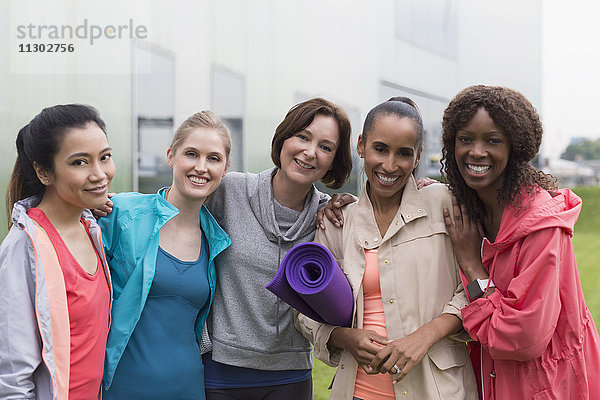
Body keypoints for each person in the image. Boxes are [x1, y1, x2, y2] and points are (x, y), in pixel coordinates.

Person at [296, 97, 478, 400]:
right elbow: (305, 310)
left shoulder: (446, 205)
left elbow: (477, 289)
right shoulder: (339, 220)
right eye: (380, 149)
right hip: (357, 392)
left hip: (438, 391)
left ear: (418, 156)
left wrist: (425, 335)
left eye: (404, 154)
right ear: (361, 146)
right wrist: (345, 337)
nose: (390, 166)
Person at [440, 85, 600, 399]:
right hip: (490, 380)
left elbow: (523, 336)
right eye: (466, 139)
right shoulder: (468, 208)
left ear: (515, 147)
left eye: (493, 140)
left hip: (547, 386)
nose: (476, 151)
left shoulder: (540, 226)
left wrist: (472, 265)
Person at [202, 98, 353, 400]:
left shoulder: (332, 217)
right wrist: (102, 202)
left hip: (291, 376)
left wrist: (428, 190)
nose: (309, 152)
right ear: (284, 137)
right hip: (221, 373)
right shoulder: (228, 192)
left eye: (325, 147)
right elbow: (170, 204)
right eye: (303, 136)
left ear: (333, 160)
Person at [99, 111, 232, 399]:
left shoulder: (216, 240)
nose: (201, 167)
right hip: (122, 386)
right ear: (171, 156)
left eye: (213, 158)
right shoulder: (121, 214)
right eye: (191, 154)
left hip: (187, 387)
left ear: (225, 167)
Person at [0, 104, 115, 400]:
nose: (99, 173)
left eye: (105, 157)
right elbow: (12, 376)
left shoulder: (92, 227)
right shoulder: (23, 247)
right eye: (80, 162)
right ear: (43, 172)